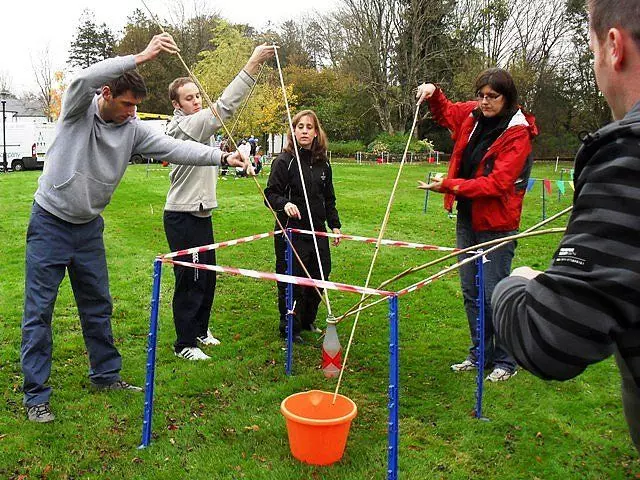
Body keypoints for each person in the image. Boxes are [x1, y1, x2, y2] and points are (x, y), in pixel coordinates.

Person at [20, 33, 250, 423]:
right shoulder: (78, 110)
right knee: (39, 311)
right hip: (50, 223)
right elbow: (79, 81)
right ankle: (36, 395)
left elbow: (177, 149)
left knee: (98, 305)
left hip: (88, 228)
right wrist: (139, 57)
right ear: (107, 94)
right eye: (126, 104)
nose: (132, 112)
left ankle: (106, 375)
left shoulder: (132, 128)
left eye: (136, 107)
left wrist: (223, 155)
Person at [491, 0, 640, 453]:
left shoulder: (628, 154)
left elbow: (551, 337)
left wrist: (518, 284)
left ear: (613, 46)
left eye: (592, 48)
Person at [416, 69, 538, 382]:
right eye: (481, 95)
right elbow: (446, 111)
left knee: (495, 293)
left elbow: (496, 184)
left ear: (506, 98)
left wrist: (449, 185)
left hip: (497, 223)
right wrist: (433, 90)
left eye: (492, 97)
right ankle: (479, 354)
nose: (485, 102)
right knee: (471, 291)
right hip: (468, 219)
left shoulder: (517, 133)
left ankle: (506, 361)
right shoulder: (472, 116)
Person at [164, 45, 275, 361]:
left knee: (207, 275)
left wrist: (235, 159)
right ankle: (184, 344)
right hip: (182, 216)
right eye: (189, 98)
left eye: (197, 95)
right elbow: (224, 108)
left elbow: (212, 150)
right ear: (176, 104)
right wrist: (252, 64)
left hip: (201, 213)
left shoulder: (198, 125)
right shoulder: (183, 125)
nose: (196, 101)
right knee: (190, 278)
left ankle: (200, 330)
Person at [264, 110, 341, 343]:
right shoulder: (284, 161)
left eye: (309, 127)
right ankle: (290, 326)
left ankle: (307, 320)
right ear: (293, 131)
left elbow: (329, 199)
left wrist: (334, 225)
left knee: (320, 275)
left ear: (316, 132)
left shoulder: (323, 164)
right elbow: (269, 195)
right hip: (291, 232)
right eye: (300, 127)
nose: (305, 131)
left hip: (317, 232)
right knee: (292, 280)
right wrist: (284, 204)